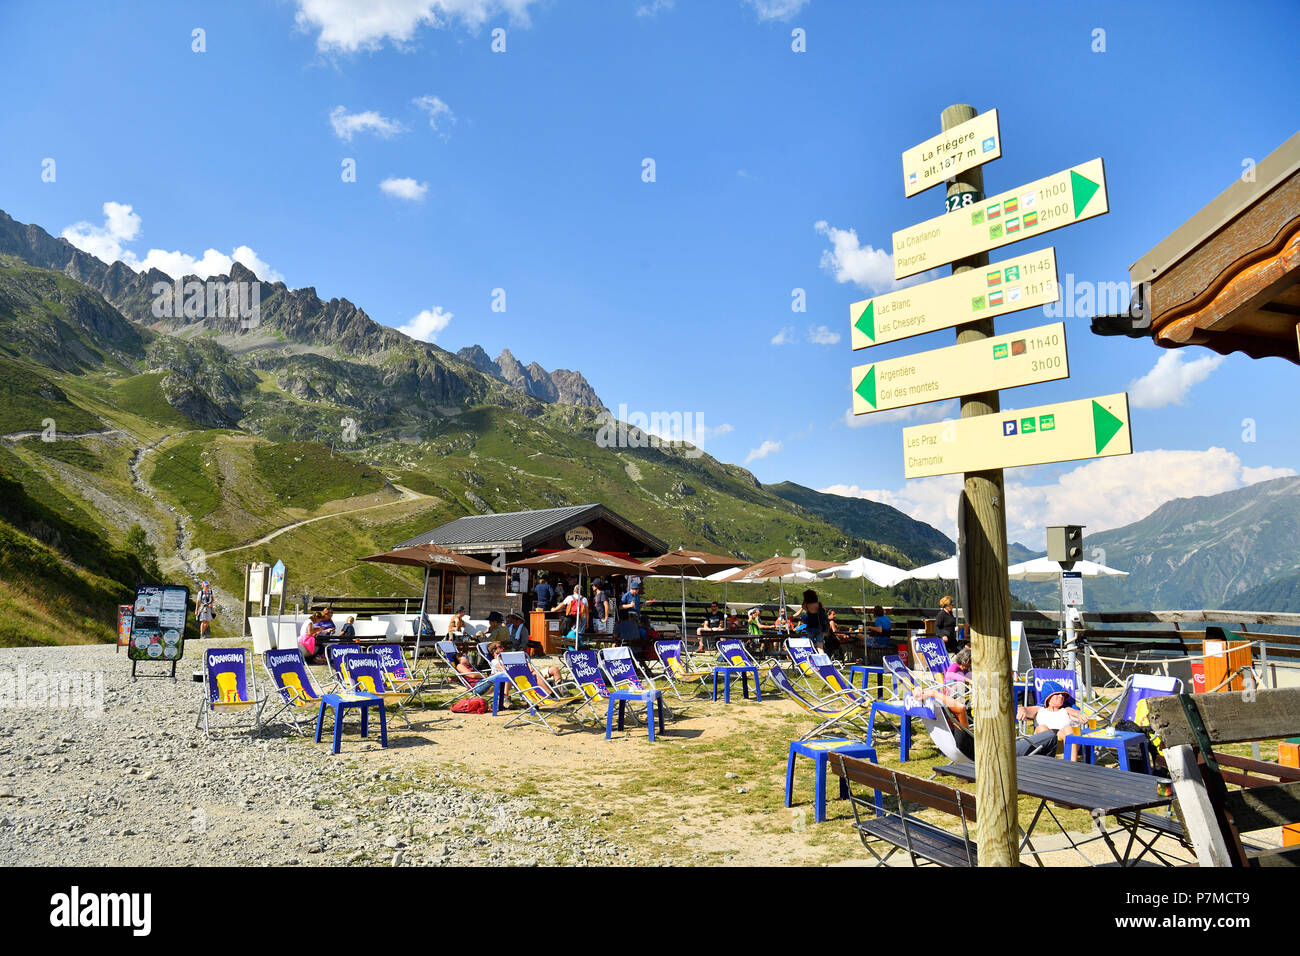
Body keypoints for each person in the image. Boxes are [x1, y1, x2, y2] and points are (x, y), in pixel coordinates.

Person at [1018, 681, 1089, 760]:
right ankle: (1045, 762)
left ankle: (1072, 765)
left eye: (1063, 695)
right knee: (1042, 728)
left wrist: (1081, 714)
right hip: (1044, 741)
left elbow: (1077, 712)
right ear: (1048, 696)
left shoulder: (1066, 710)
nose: (1061, 696)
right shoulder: (1040, 709)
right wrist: (1022, 711)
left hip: (1062, 742)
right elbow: (1025, 709)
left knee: (1068, 729)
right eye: (1057, 694)